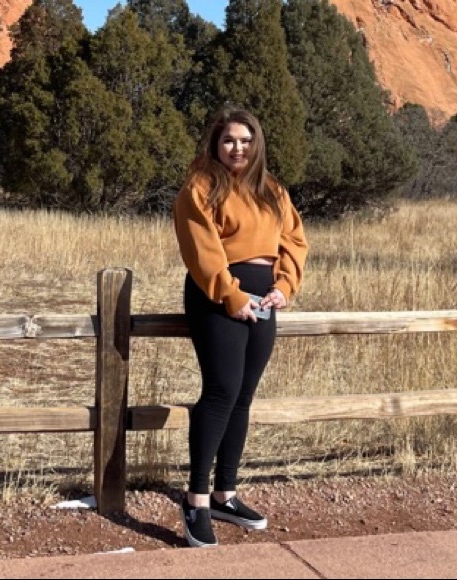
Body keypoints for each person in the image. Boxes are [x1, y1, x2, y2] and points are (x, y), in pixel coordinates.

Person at [172, 103, 308, 548]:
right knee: (221, 392)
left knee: (244, 395)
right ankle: (195, 500)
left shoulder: (272, 190)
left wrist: (284, 287)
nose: (237, 148)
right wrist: (231, 296)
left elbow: (294, 241)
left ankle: (224, 494)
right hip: (217, 296)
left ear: (257, 145)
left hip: (265, 298)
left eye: (247, 141)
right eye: (229, 140)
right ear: (215, 142)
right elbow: (201, 249)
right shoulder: (201, 186)